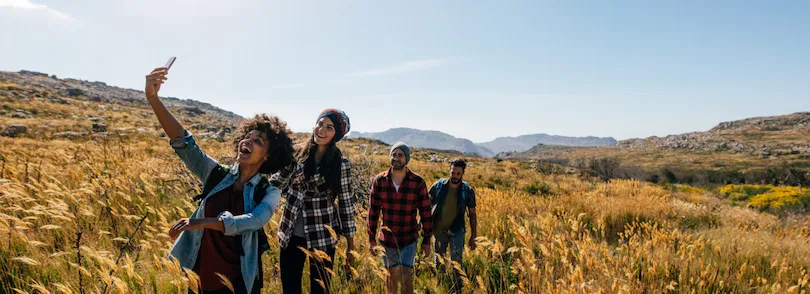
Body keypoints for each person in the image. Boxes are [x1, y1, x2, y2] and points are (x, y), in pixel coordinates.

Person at [145, 67, 295, 294]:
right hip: (200, 281)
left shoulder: (269, 192)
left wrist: (202, 221)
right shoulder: (216, 174)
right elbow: (184, 143)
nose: (248, 141)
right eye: (248, 137)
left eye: (259, 141)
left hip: (239, 283)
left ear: (268, 156)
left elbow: (254, 221)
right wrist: (153, 99)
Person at [270, 109, 358, 294]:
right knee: (290, 288)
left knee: (320, 290)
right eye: (320, 124)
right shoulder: (297, 155)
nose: (322, 130)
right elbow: (276, 181)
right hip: (290, 233)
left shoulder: (340, 164)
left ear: (337, 135)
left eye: (329, 127)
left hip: (322, 236)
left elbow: (346, 204)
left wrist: (351, 246)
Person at [368, 142, 433, 294]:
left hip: (408, 237)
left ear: (407, 159)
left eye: (400, 155)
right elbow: (373, 211)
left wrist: (427, 239)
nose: (396, 158)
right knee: (390, 278)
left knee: (406, 276)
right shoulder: (380, 181)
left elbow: (425, 212)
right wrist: (371, 239)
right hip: (387, 239)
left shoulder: (417, 182)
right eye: (393, 154)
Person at [428, 158, 478, 293]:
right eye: (452, 172)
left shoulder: (467, 190)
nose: (454, 176)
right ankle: (441, 286)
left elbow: (472, 214)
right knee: (439, 261)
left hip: (457, 230)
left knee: (457, 262)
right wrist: (426, 226)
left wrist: (473, 236)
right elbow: (426, 206)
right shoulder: (438, 186)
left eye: (457, 174)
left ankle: (457, 288)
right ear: (449, 171)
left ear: (462, 174)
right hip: (439, 230)